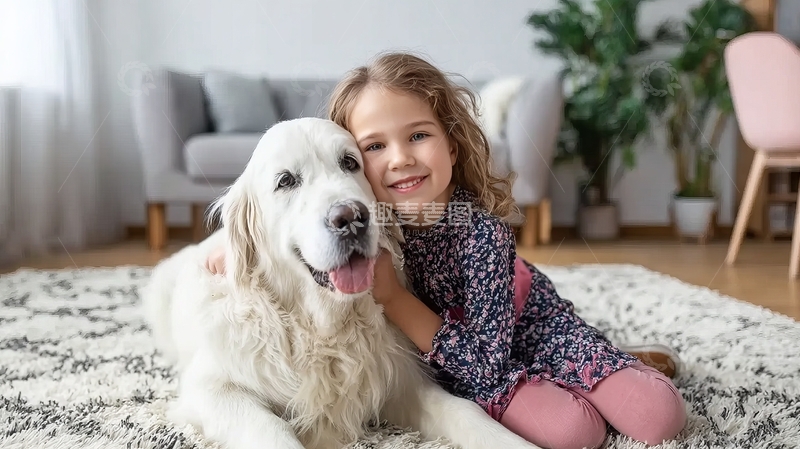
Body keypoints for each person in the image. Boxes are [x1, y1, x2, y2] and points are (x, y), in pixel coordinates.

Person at [205, 52, 687, 449]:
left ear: (451, 146)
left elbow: (484, 366)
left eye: (418, 135)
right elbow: (277, 216)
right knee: (576, 432)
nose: (400, 158)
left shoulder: (479, 235)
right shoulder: (380, 219)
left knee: (657, 415)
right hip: (471, 354)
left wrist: (394, 297)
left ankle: (609, 363)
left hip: (512, 343)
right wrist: (238, 241)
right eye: (373, 147)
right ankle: (601, 371)